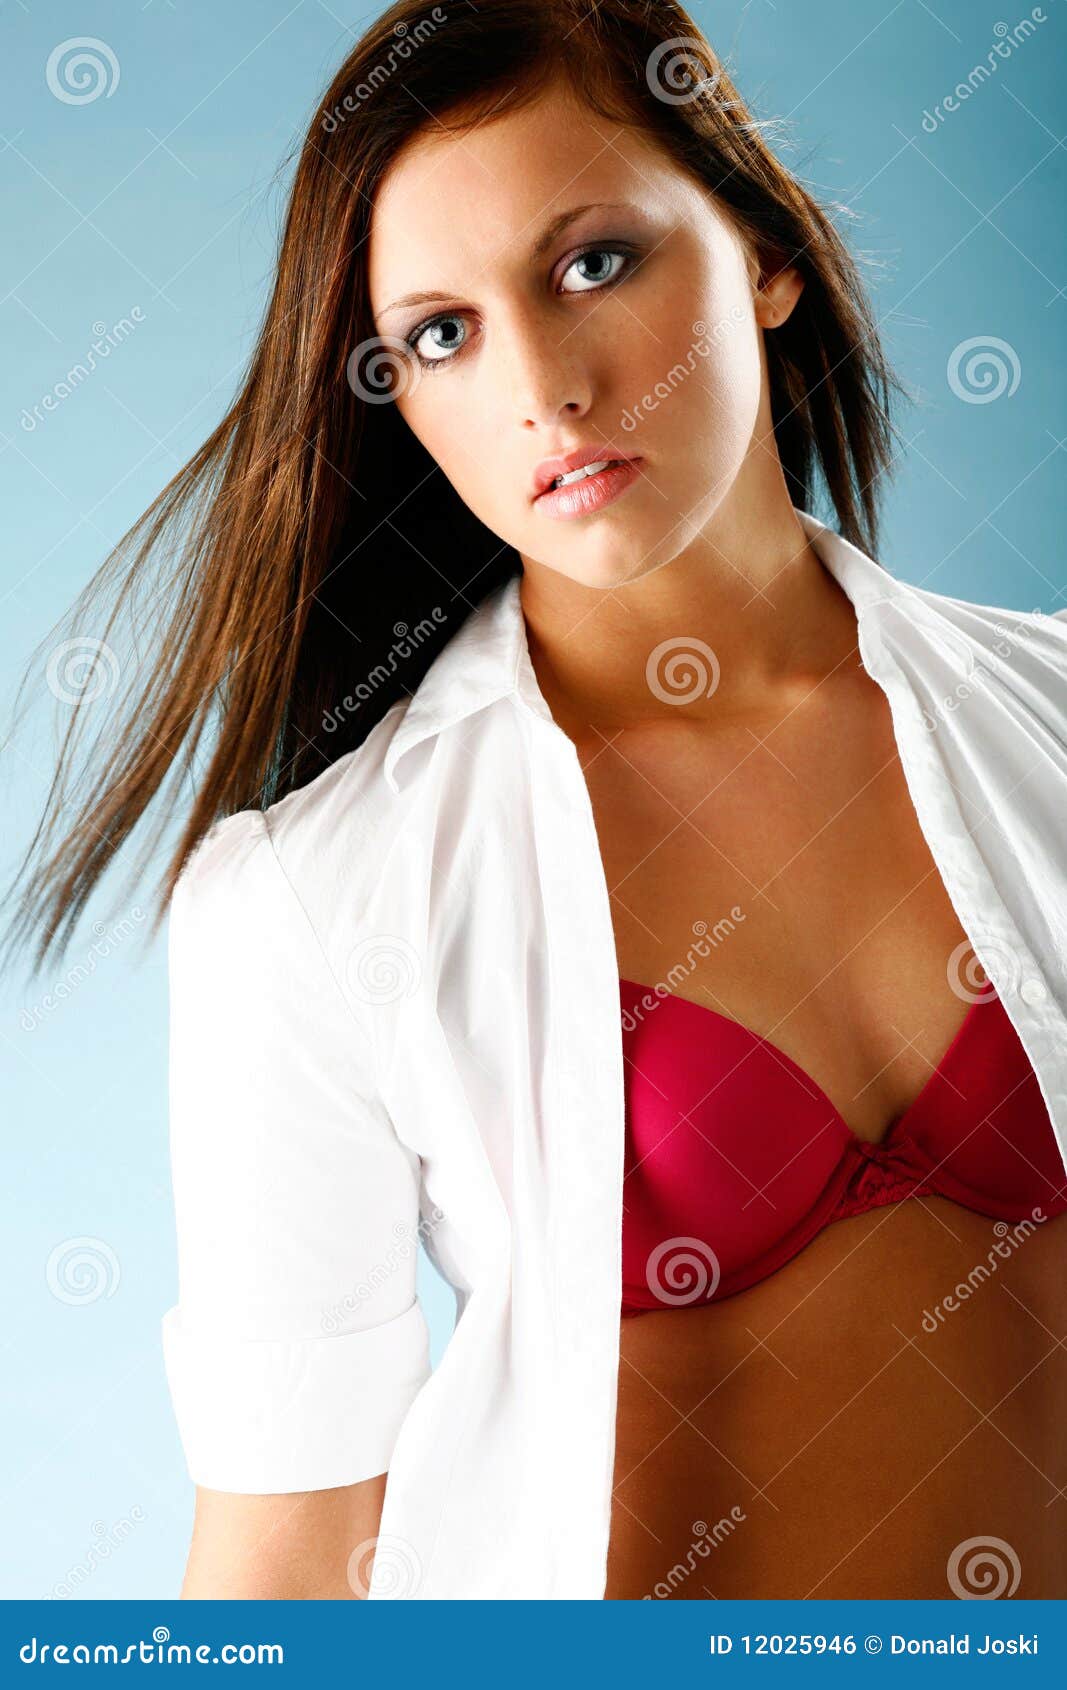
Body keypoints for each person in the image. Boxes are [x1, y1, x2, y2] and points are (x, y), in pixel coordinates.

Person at [6, 0, 1067, 1601]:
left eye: (594, 264)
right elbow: (289, 1554)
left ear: (765, 253)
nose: (547, 388)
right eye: (441, 334)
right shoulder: (312, 896)